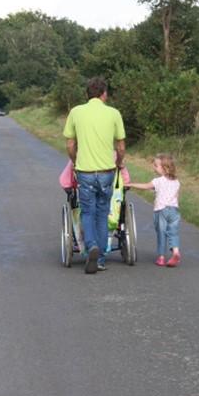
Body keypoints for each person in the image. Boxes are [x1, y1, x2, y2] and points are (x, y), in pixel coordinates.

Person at [62, 77, 126, 274]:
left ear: (87, 94)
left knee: (87, 212)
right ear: (104, 94)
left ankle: (91, 247)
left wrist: (74, 161)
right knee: (102, 212)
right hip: (107, 171)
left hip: (85, 171)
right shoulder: (114, 113)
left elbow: (70, 145)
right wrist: (117, 163)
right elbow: (121, 146)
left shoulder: (76, 112)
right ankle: (100, 259)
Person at [127, 153, 182, 267]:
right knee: (173, 233)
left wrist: (130, 184)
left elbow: (146, 186)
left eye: (156, 165)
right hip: (174, 211)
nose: (154, 168)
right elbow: (176, 197)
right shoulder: (177, 182)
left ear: (165, 168)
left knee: (161, 233)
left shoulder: (158, 181)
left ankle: (161, 257)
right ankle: (175, 252)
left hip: (161, 211)